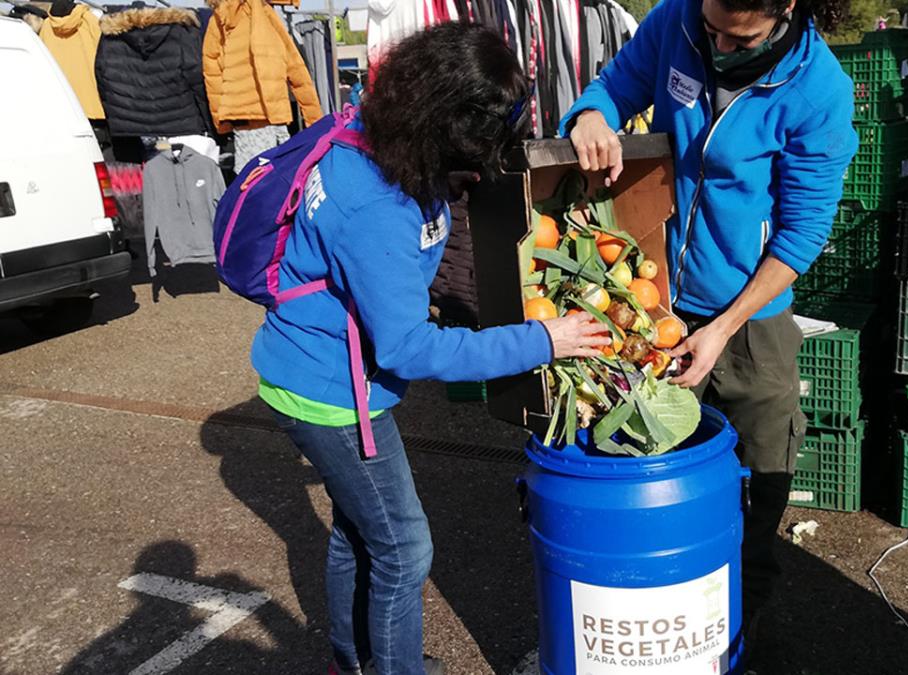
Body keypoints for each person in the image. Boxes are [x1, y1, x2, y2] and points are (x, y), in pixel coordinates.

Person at [251, 24, 608, 675]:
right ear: (444, 124)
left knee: (359, 532)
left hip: (314, 366)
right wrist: (542, 339)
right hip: (329, 391)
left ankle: (351, 660)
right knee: (404, 549)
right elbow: (410, 347)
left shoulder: (380, 136)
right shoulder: (374, 205)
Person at [561, 0, 857, 660]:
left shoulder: (819, 90)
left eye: (735, 36)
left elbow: (802, 234)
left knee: (760, 479)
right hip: (654, 303)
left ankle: (737, 632)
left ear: (785, 8)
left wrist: (724, 327)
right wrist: (590, 116)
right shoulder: (677, 21)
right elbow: (616, 85)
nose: (716, 43)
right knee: (646, 465)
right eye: (710, 26)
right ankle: (653, 618)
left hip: (749, 321)